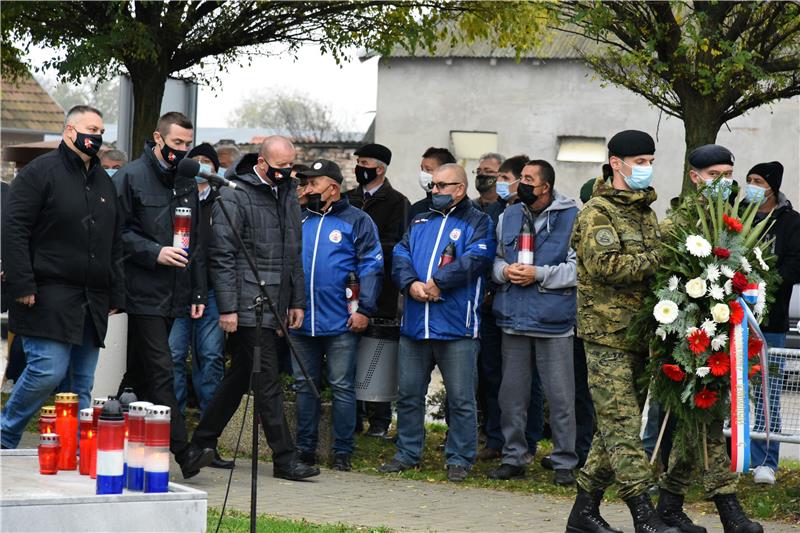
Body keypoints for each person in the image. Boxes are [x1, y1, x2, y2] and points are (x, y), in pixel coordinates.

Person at [189, 136, 319, 481]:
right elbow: (222, 255)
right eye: (279, 168)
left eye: (290, 167)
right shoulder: (235, 194)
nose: (286, 174)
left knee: (240, 377)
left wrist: (296, 301)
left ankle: (198, 444)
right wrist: (229, 308)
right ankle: (285, 458)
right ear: (261, 163)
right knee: (267, 379)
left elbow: (294, 252)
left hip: (276, 300)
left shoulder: (288, 192)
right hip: (247, 302)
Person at [566, 130, 675, 533]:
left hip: (640, 333)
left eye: (650, 160)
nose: (647, 168)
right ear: (617, 164)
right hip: (606, 334)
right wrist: (662, 256)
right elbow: (607, 267)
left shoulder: (645, 212)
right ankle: (642, 512)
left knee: (612, 427)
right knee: (624, 425)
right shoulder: (598, 211)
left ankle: (584, 512)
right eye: (640, 161)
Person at [654, 145, 764, 533]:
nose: (724, 182)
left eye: (729, 174)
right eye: (715, 174)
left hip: (722, 335)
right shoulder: (676, 225)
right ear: (695, 176)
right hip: (685, 338)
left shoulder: (734, 222)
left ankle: (668, 504)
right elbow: (663, 284)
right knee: (704, 423)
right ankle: (729, 511)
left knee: (698, 423)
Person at [1, 105, 125, 448]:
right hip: (46, 293)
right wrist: (21, 282)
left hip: (92, 298)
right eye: (91, 129)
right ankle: (5, 432)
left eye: (100, 131)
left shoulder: (103, 181)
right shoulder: (39, 173)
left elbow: (114, 240)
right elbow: (14, 230)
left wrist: (116, 292)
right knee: (47, 371)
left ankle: (73, 450)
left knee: (81, 383)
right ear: (70, 131)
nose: (97, 136)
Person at [379, 163, 496, 482]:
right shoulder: (420, 218)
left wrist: (438, 283)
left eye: (442, 186)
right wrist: (412, 284)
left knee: (460, 398)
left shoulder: (479, 221)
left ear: (460, 189)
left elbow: (476, 259)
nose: (435, 190)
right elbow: (401, 255)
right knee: (409, 395)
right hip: (415, 325)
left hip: (457, 326)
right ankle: (407, 454)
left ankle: (459, 459)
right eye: (433, 185)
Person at [114, 111, 212, 478]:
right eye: (176, 144)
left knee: (139, 373)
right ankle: (183, 451)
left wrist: (198, 291)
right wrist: (154, 251)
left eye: (188, 145)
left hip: (177, 292)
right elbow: (117, 233)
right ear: (158, 138)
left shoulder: (187, 181)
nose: (182, 151)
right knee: (161, 369)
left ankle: (114, 430)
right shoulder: (130, 177)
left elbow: (197, 242)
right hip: (141, 291)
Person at [489, 160, 579, 485]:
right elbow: (496, 258)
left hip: (554, 321)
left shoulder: (573, 216)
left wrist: (539, 274)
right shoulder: (508, 215)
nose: (521, 184)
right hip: (513, 317)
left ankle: (564, 461)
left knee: (561, 397)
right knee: (511, 396)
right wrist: (504, 272)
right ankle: (514, 457)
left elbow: (578, 270)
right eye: (521, 178)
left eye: (529, 179)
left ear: (546, 187)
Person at [291, 159, 383, 471]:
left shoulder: (358, 220)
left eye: (313, 183)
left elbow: (371, 266)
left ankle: (342, 450)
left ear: (332, 188)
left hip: (342, 321)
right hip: (300, 320)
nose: (306, 188)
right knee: (304, 385)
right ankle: (305, 448)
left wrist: (365, 310)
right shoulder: (298, 218)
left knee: (342, 386)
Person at [166, 142, 232, 470]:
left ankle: (207, 440)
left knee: (210, 361)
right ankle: (171, 437)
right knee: (173, 359)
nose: (203, 169)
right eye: (197, 162)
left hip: (213, 294)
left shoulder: (223, 202)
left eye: (209, 163)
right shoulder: (176, 197)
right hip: (178, 292)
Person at [346, 143, 411, 438]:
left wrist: (365, 248)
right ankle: (352, 417)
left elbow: (399, 244)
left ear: (380, 168)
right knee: (349, 352)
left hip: (381, 287)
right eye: (358, 161)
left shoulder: (398, 202)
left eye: (365, 162)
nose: (360, 166)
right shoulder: (348, 199)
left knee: (377, 352)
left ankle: (380, 418)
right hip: (347, 287)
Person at [746, 161, 800, 486]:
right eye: (748, 179)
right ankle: (733, 455)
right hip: (735, 317)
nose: (751, 185)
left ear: (772, 186)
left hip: (771, 321)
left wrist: (764, 283)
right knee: (731, 391)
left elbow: (795, 266)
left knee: (766, 391)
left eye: (757, 180)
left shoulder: (791, 222)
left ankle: (766, 461)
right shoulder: (738, 215)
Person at [408, 147, 456, 222]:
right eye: (422, 169)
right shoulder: (416, 209)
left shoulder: (465, 209)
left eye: (428, 169)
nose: (423, 174)